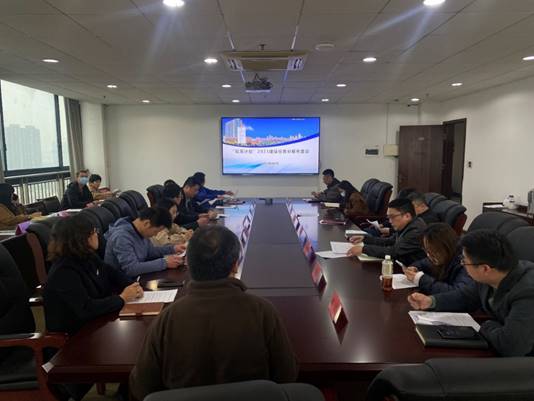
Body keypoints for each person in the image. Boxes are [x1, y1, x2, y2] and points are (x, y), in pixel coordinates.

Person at [129, 225, 298, 401]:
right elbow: (287, 375)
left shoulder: (166, 319)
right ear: (235, 266)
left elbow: (142, 387)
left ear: (189, 264)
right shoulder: (263, 311)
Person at [408, 230, 534, 357]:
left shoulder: (527, 292)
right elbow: (466, 297)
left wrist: (487, 325)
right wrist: (431, 301)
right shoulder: (491, 274)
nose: (462, 264)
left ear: (485, 268)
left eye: (464, 261)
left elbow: (510, 346)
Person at [44, 214, 142, 335]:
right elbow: (86, 308)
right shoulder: (63, 272)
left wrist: (132, 285)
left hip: (98, 323)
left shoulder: (87, 255)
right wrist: (122, 298)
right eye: (94, 232)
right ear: (81, 238)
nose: (97, 235)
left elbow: (111, 273)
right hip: (74, 336)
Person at [104, 207, 185, 277]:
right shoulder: (121, 237)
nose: (155, 235)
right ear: (147, 223)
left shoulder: (140, 231)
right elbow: (131, 269)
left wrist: (173, 249)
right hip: (123, 284)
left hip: (139, 277)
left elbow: (150, 252)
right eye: (156, 231)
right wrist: (165, 263)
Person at [347, 198, 426, 265]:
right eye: (388, 217)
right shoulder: (406, 225)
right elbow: (389, 241)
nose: (390, 221)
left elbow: (394, 252)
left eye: (392, 217)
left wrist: (364, 249)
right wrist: (365, 239)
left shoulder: (416, 230)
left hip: (410, 270)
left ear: (407, 216)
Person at [403, 223, 473, 294]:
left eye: (434, 252)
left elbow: (457, 294)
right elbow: (424, 263)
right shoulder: (438, 256)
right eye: (427, 251)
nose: (429, 255)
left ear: (447, 247)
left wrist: (421, 279)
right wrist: (415, 268)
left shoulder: (466, 262)